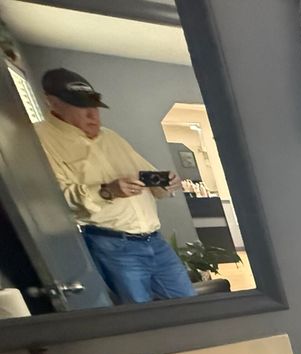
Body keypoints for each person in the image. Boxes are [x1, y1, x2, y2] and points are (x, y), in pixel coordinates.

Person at [34, 68, 195, 304]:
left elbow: (149, 178)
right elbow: (56, 199)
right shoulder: (40, 140)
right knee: (139, 312)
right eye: (82, 108)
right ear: (52, 103)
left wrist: (167, 182)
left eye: (95, 107)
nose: (93, 116)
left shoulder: (110, 137)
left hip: (155, 240)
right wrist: (107, 191)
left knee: (188, 303)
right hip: (114, 246)